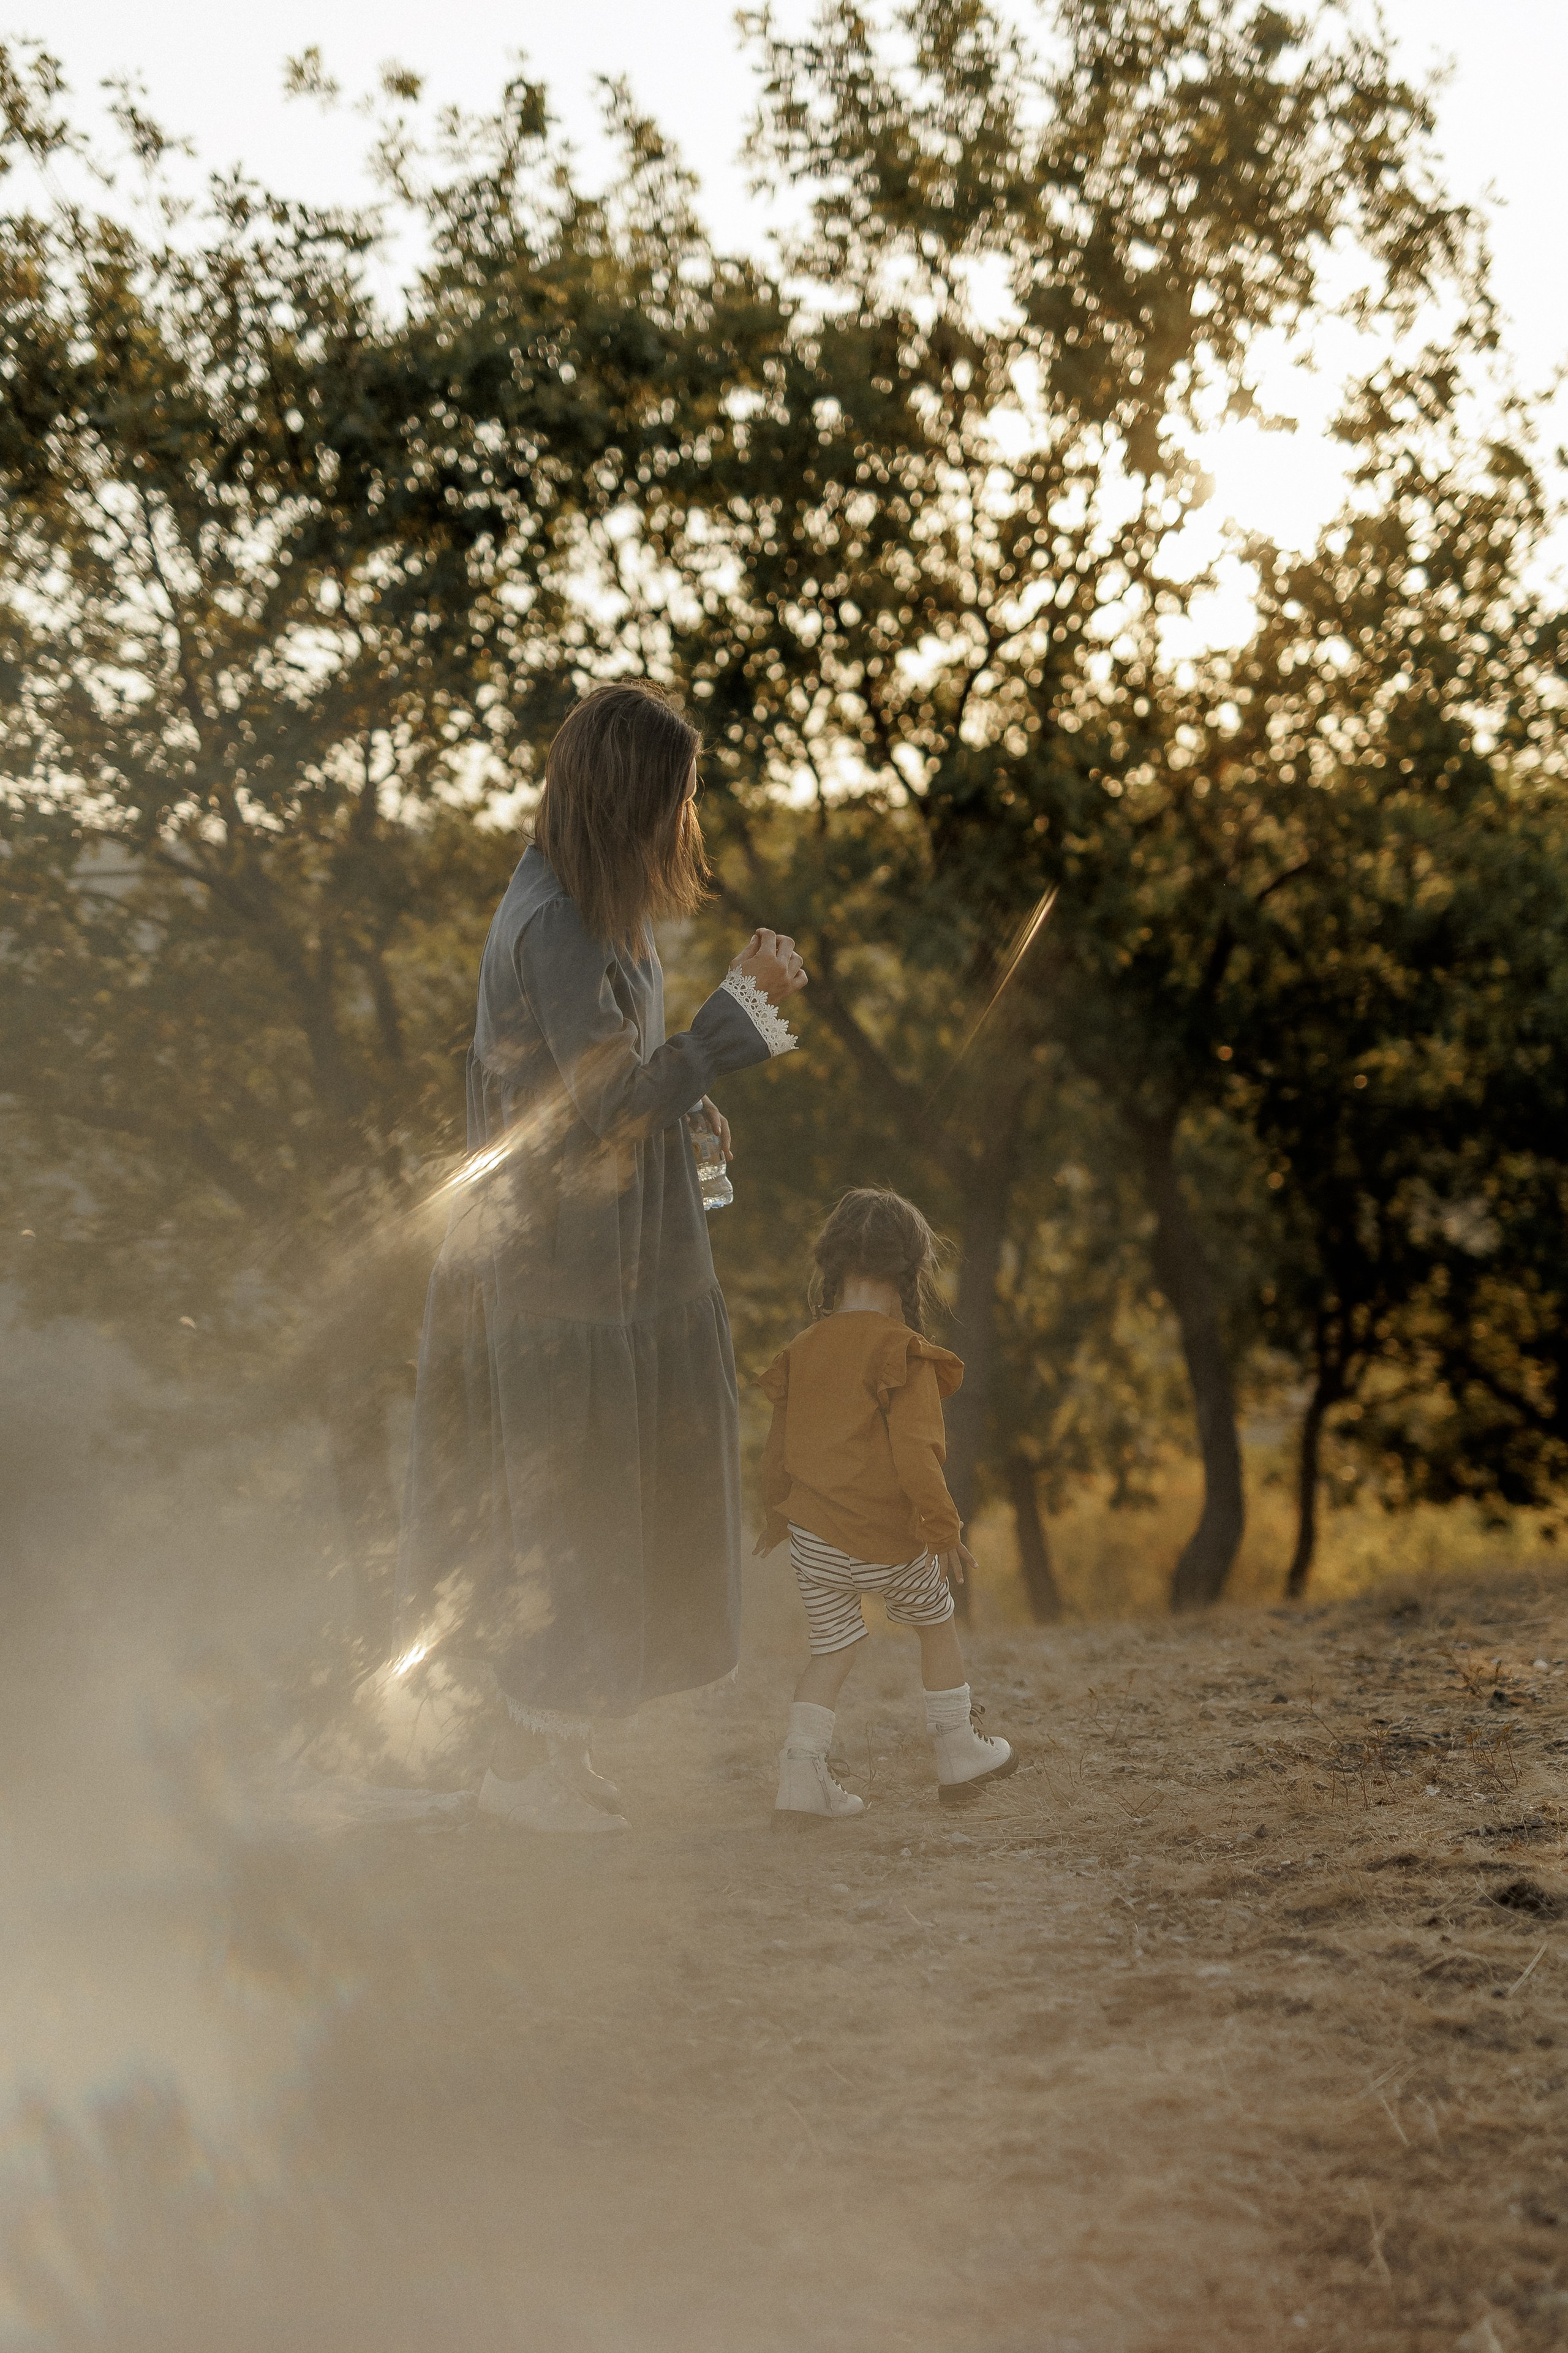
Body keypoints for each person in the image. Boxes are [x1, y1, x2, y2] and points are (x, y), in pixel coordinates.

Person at [396, 681, 807, 1834]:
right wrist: (735, 1021)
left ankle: (555, 1751)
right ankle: (521, 1772)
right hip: (557, 1275)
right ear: (631, 799)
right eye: (677, 797)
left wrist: (692, 1101)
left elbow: (614, 1079)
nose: (686, 821)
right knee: (565, 1506)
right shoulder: (561, 927)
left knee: (598, 1494)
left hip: (601, 1264)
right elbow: (614, 1106)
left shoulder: (594, 908)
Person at [755, 1188, 1017, 1823]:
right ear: (910, 1270)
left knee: (832, 1649)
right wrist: (944, 1529)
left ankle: (800, 1776)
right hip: (889, 1538)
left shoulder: (802, 1350)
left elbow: (776, 1451)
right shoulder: (903, 1350)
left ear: (834, 1263)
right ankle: (957, 1751)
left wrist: (774, 1516)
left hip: (815, 1539)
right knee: (935, 1623)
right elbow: (917, 1455)